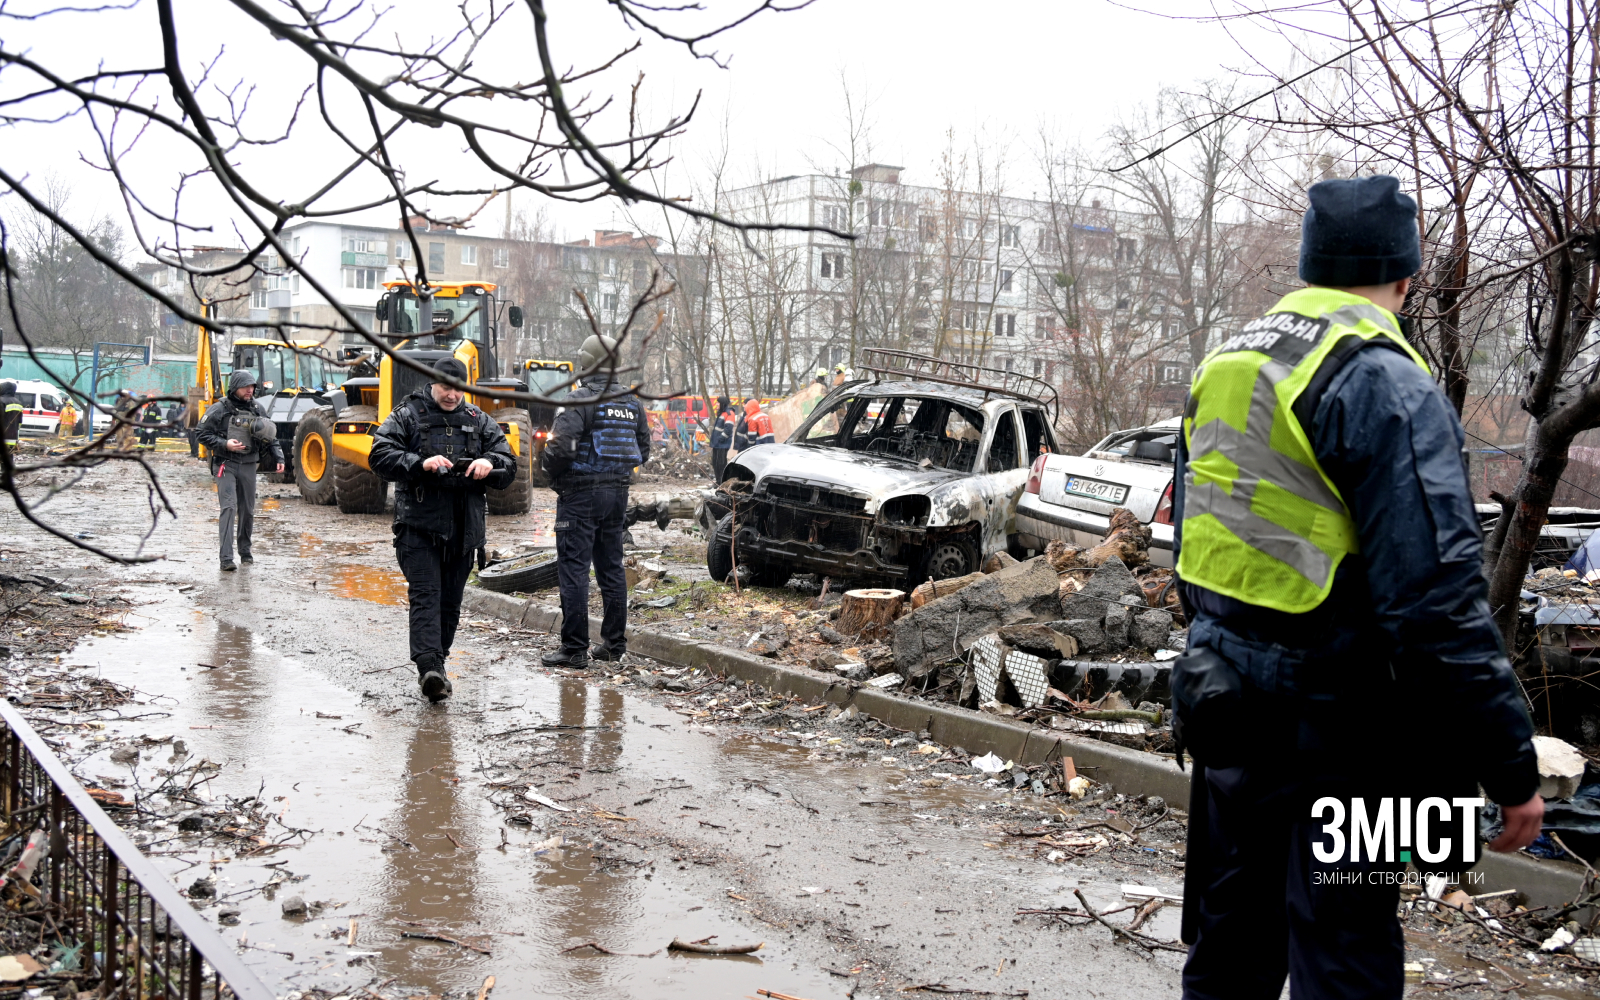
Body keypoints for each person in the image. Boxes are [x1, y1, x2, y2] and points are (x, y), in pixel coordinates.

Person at [1173, 175, 1541, 999]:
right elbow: (1437, 606)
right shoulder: (1387, 382)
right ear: (1405, 278)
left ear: (1308, 265)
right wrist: (1510, 768)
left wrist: (1216, 651)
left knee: (1231, 938)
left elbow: (1196, 540)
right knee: (1346, 951)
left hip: (1226, 695)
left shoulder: (1229, 361)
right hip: (1348, 722)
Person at [369, 357, 514, 702]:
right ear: (432, 384)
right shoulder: (407, 415)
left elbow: (509, 465)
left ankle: (438, 663)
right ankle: (428, 669)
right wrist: (420, 463)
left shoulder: (480, 421)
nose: (451, 395)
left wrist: (488, 462)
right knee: (426, 596)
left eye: (457, 388)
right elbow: (379, 455)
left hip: (464, 531)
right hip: (418, 528)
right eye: (444, 387)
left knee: (450, 603)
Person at [538, 334, 650, 669]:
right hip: (617, 496)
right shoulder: (632, 403)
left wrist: (551, 473)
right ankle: (613, 646)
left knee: (574, 571)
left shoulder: (580, 400)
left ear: (586, 363)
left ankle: (573, 649)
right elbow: (643, 450)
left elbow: (559, 448)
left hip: (580, 497)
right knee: (611, 569)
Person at [196, 371, 284, 571]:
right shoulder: (219, 409)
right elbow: (200, 433)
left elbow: (271, 434)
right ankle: (226, 558)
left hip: (249, 464)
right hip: (225, 464)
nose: (250, 390)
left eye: (252, 386)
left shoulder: (257, 408)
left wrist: (279, 456)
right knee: (229, 508)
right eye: (245, 386)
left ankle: (245, 552)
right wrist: (224, 444)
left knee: (248, 510)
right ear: (234, 387)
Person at [708, 396, 736, 483]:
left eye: (718, 402)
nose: (716, 404)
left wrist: (720, 439)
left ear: (722, 403)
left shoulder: (729, 413)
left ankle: (722, 482)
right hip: (717, 444)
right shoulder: (721, 413)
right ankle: (718, 482)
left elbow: (728, 430)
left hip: (722, 444)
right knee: (715, 463)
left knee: (721, 464)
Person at [0, 381, 20, 455]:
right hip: (12, 437)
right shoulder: (18, 402)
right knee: (9, 459)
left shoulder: (1, 401)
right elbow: (19, 423)